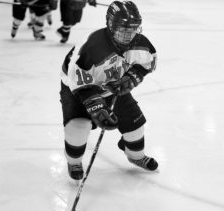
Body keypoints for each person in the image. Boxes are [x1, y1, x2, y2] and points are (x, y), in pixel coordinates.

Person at [59, 0, 158, 181]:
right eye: (123, 31)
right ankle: (74, 161)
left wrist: (131, 78)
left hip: (113, 85)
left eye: (133, 29)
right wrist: (96, 106)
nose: (129, 36)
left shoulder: (140, 43)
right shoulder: (92, 46)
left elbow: (148, 62)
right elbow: (77, 80)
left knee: (135, 127)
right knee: (78, 128)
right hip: (77, 89)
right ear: (111, 26)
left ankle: (135, 156)